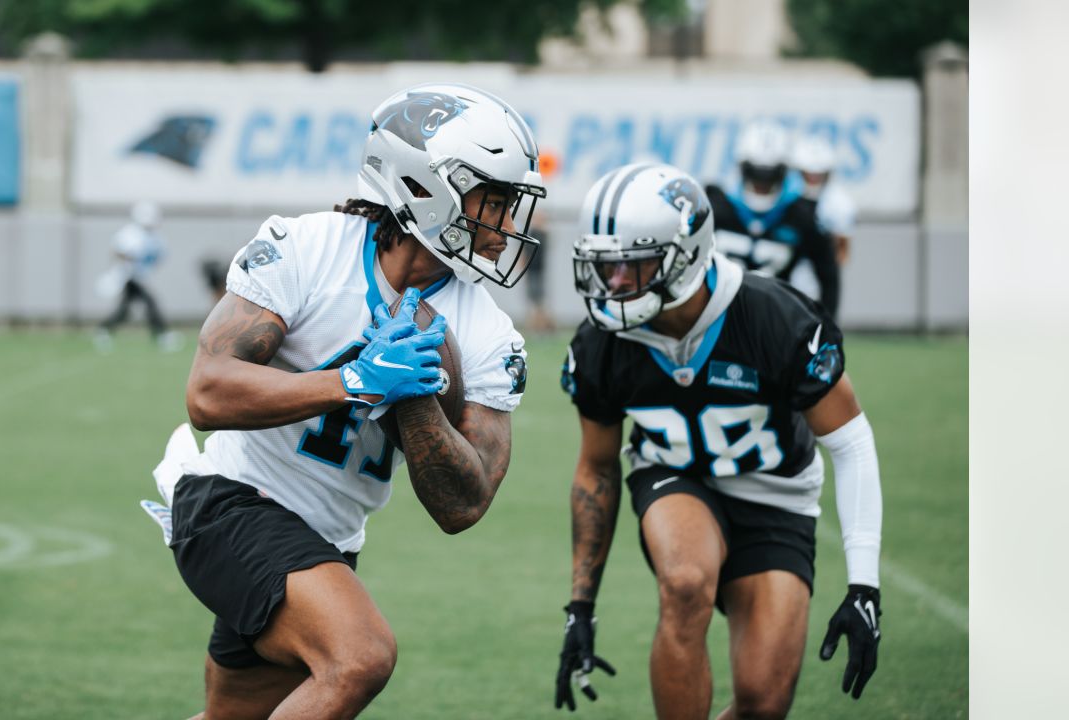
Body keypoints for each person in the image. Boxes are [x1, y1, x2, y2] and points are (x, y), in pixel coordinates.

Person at [150, 83, 543, 720]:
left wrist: (415, 401)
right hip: (232, 503)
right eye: (492, 200)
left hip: (326, 544)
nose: (505, 226)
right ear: (424, 186)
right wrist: (356, 381)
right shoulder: (306, 249)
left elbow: (464, 505)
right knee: (359, 657)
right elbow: (208, 391)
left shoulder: (488, 333)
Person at [553, 163, 884, 718]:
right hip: (674, 477)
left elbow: (850, 442)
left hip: (777, 493)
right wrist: (580, 607)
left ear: (686, 256)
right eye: (605, 268)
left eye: (632, 267)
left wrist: (864, 587)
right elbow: (599, 470)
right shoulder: (601, 345)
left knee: (762, 702)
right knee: (685, 582)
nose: (612, 286)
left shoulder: (774, 319)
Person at [705, 120, 841, 318]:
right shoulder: (716, 205)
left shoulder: (801, 214)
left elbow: (828, 274)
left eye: (770, 174)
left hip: (773, 319)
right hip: (717, 314)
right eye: (756, 172)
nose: (762, 182)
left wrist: (828, 323)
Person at [96, 200, 180, 351]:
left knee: (125, 310)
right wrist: (130, 258)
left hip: (140, 276)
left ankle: (104, 330)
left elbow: (159, 256)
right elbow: (117, 251)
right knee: (150, 302)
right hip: (128, 276)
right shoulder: (129, 233)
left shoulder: (155, 237)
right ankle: (162, 334)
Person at [790, 135, 858, 267]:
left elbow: (843, 253)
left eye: (818, 175)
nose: (813, 181)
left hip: (819, 269)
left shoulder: (841, 205)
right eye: (808, 175)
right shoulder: (786, 199)